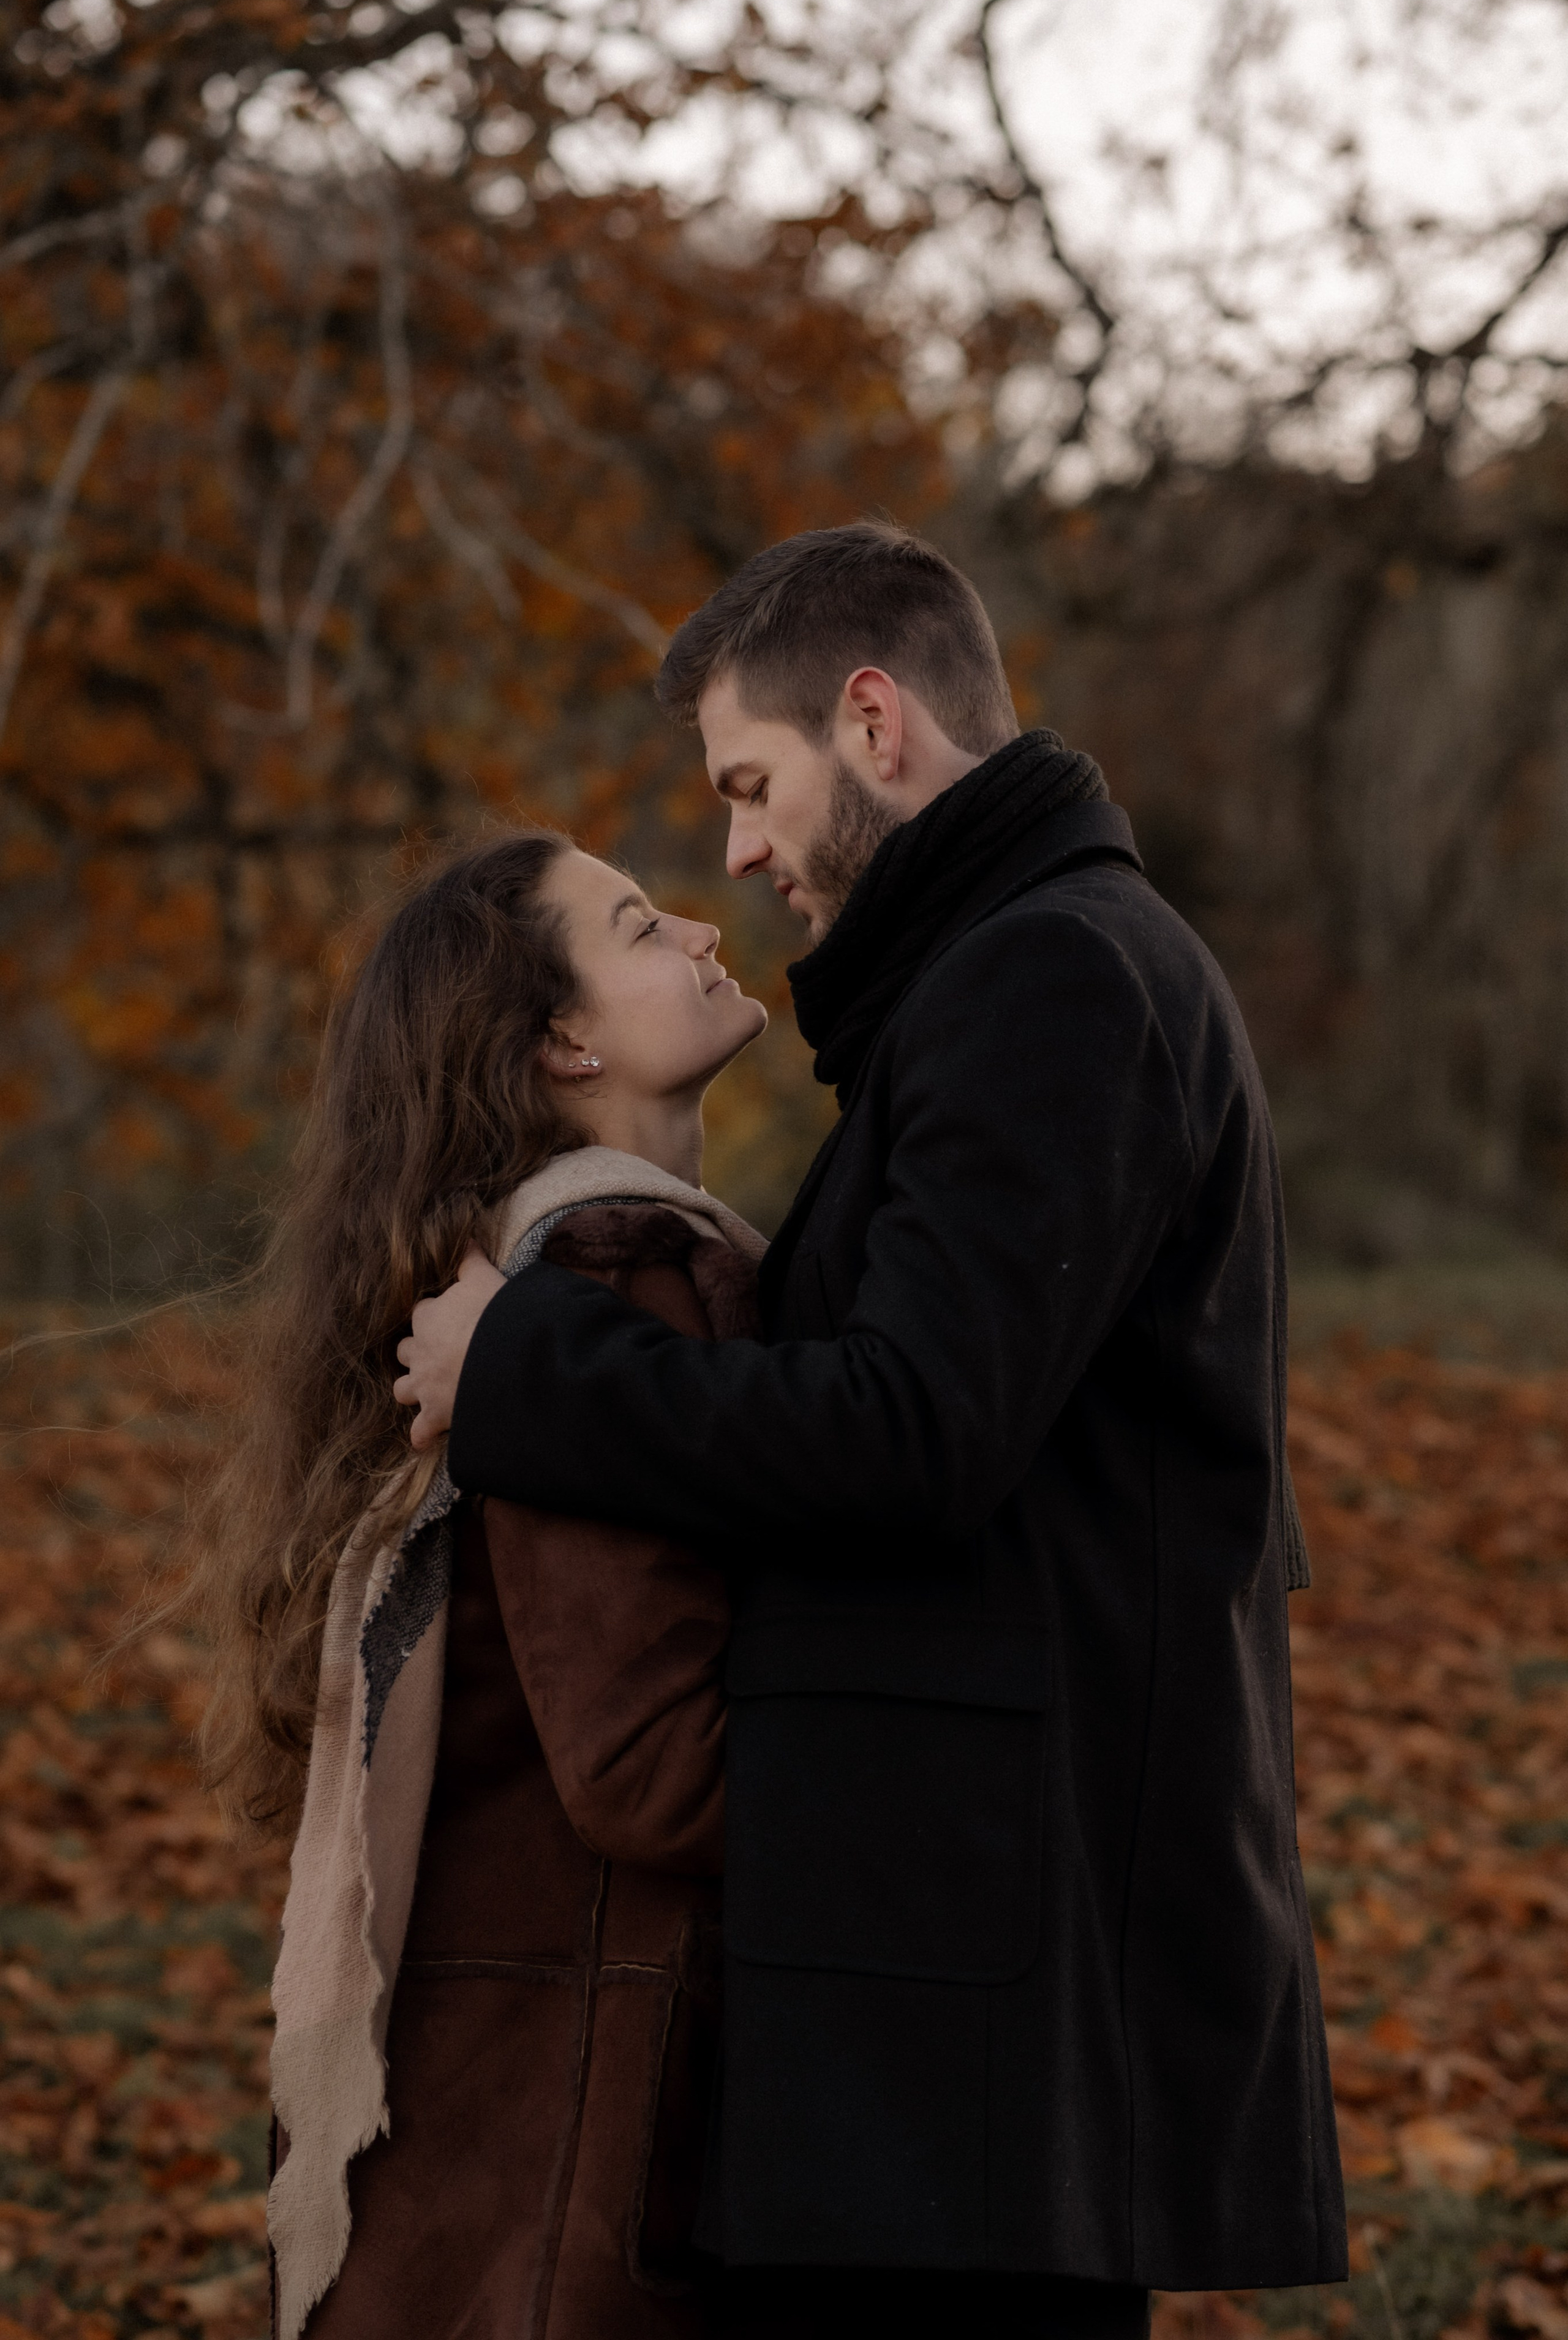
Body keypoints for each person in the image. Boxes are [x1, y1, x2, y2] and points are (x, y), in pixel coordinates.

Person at [396, 522, 1349, 2339]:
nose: (739, 848)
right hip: (966, 1996)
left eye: (752, 784)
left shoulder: (1049, 980)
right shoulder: (1011, 978)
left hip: (981, 2009)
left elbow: (915, 1429)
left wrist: (521, 1374)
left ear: (875, 721)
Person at [188, 828, 771, 2340]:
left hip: (497, 2109)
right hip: (580, 2138)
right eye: (643, 925)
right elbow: (653, 1771)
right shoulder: (603, 1283)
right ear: (563, 1040)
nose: (706, 925)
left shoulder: (514, 1281)